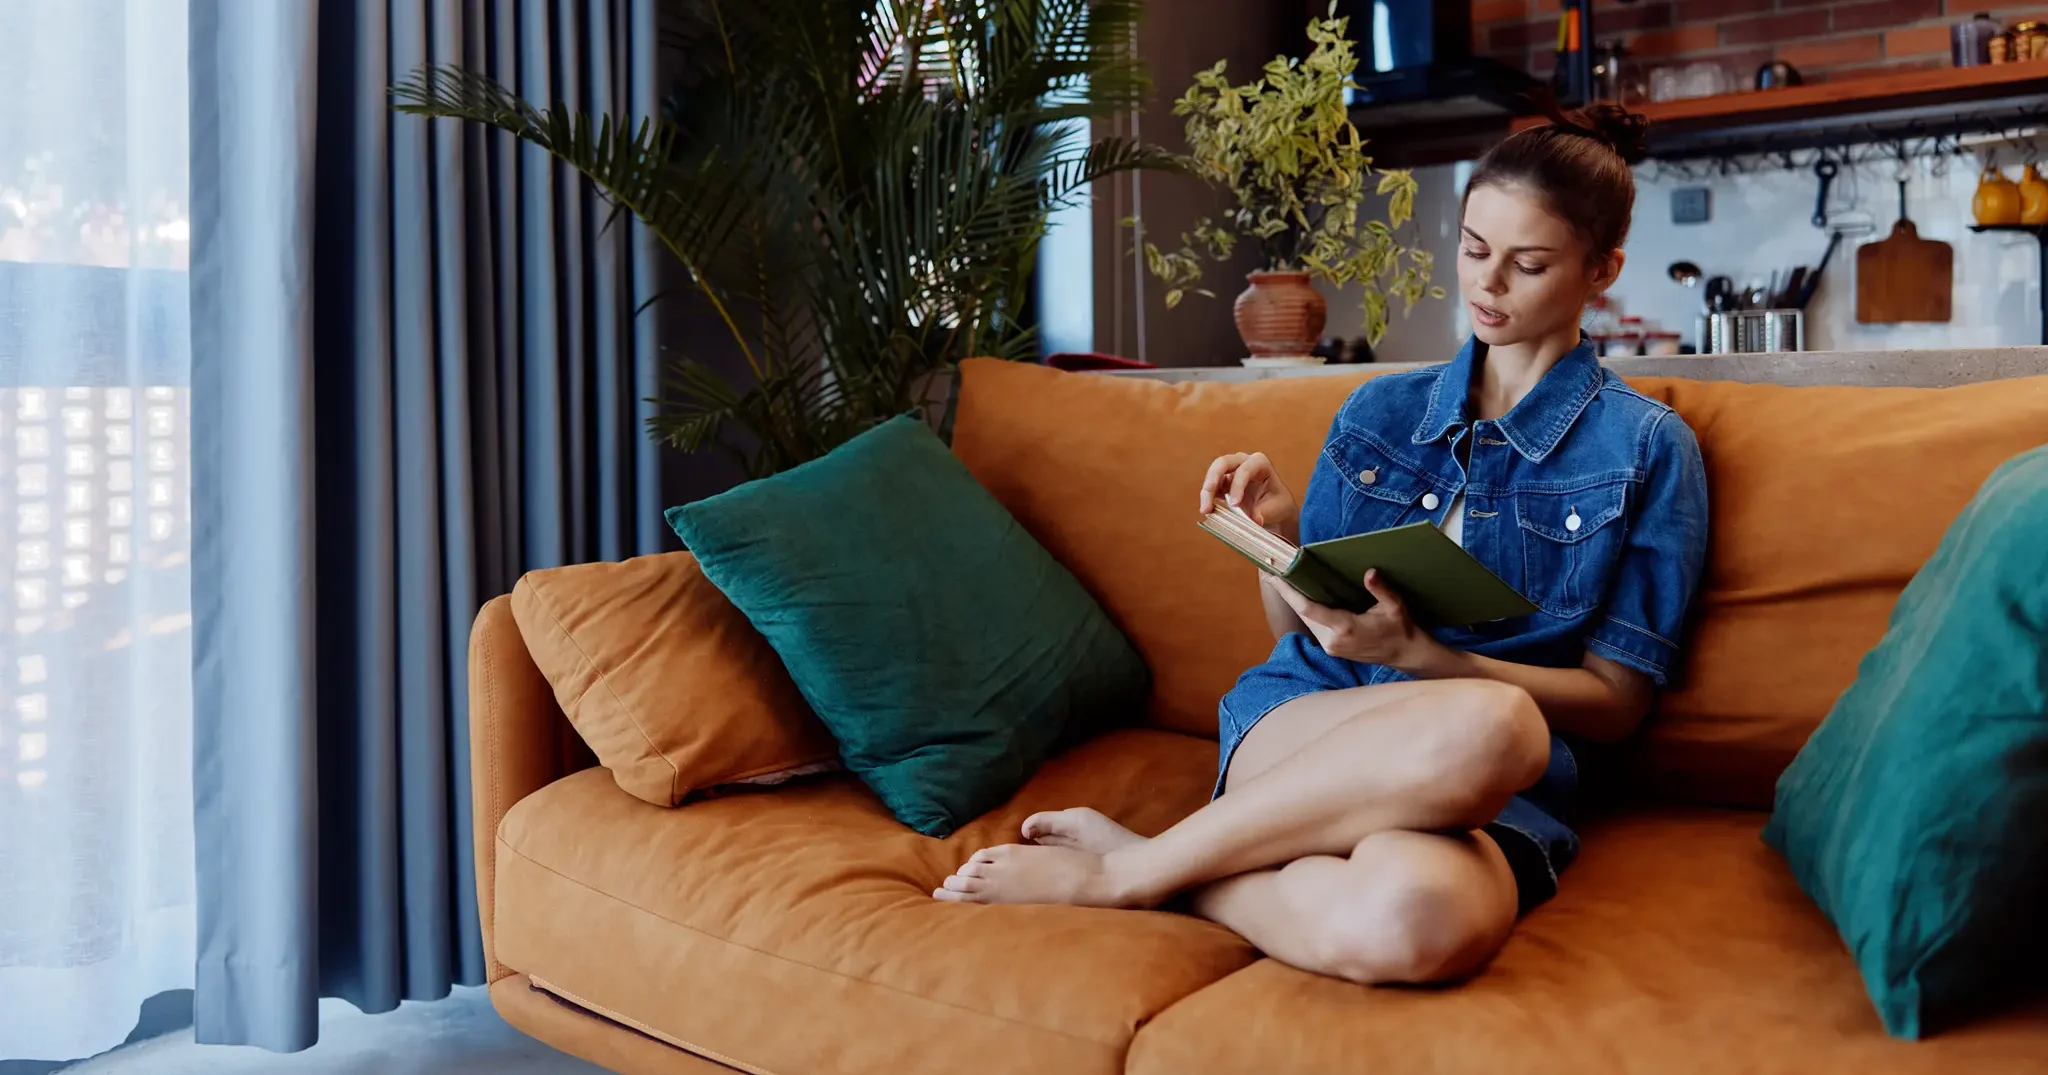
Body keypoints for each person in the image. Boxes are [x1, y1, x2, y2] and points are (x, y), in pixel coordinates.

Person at [932, 103, 1709, 987]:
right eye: (1473, 248)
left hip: (1488, 778)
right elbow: (1303, 630)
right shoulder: (1380, 411)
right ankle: (1129, 875)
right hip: (1311, 720)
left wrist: (1427, 658)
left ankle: (1158, 866)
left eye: (1529, 264)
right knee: (1495, 721)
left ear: (1600, 269)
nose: (1488, 285)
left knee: (1415, 920)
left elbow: (1616, 704)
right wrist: (1283, 543)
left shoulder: (1647, 449)